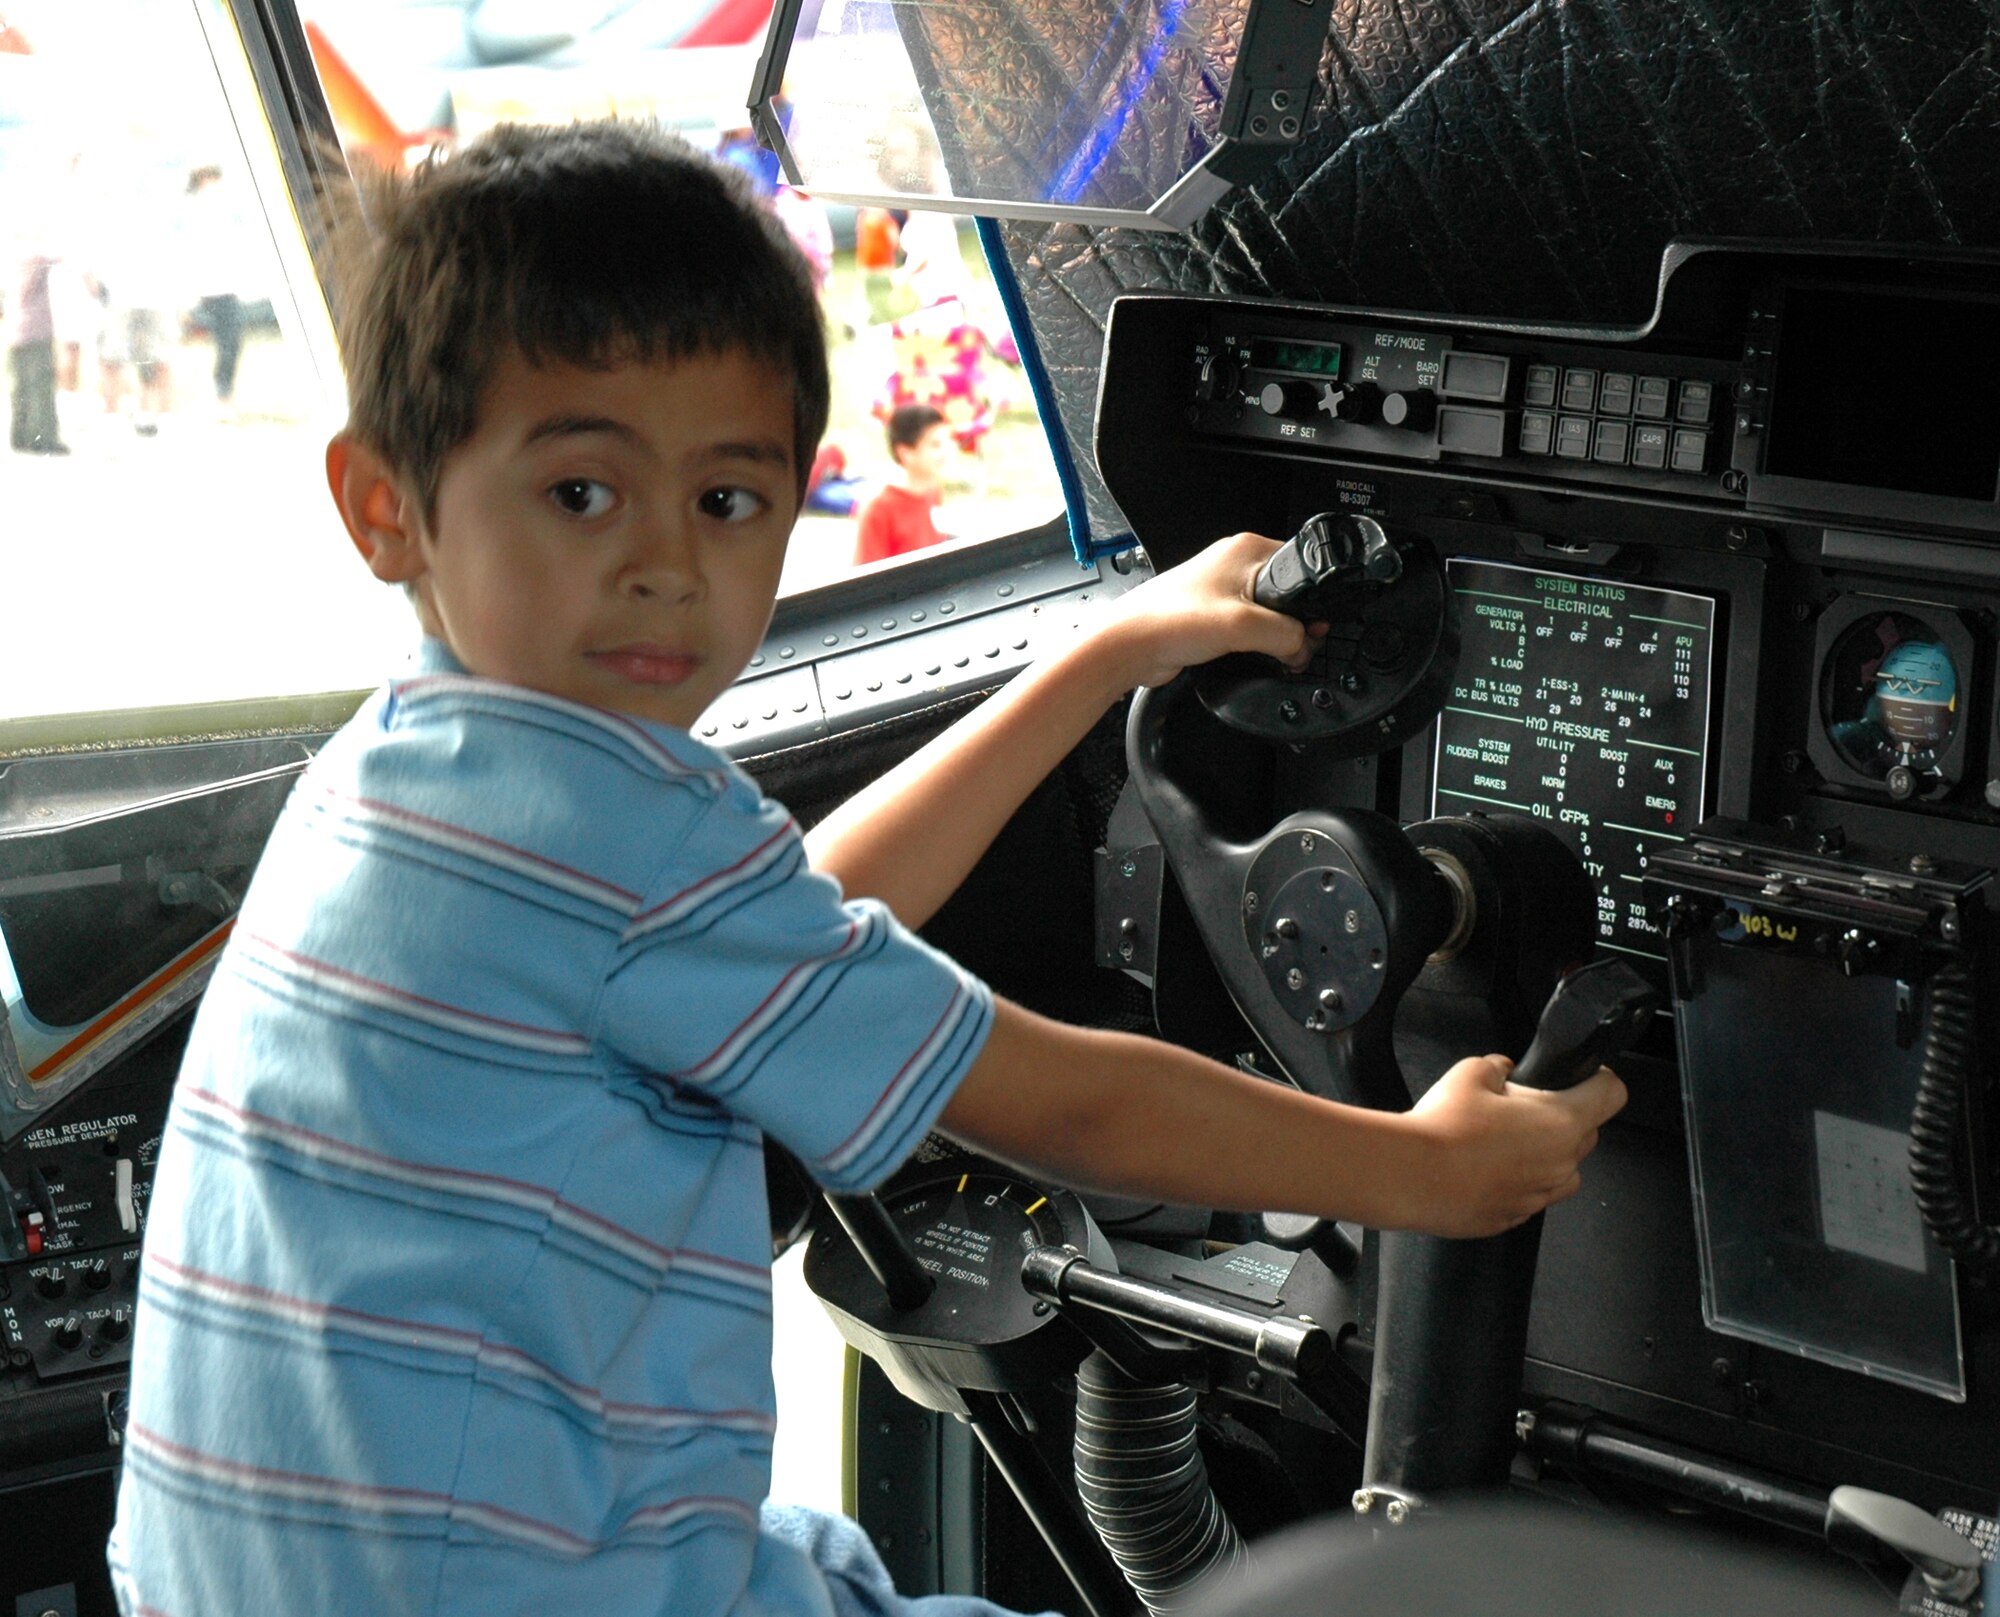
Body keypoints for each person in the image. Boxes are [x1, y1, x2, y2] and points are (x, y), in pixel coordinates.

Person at [108, 120, 1624, 1617]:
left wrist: (1100, 654)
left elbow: (810, 913)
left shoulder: (403, 780)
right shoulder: (614, 844)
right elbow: (1067, 1104)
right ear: (387, 504)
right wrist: (1432, 1173)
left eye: (726, 500)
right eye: (581, 491)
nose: (664, 563)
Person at [854, 402, 953, 565]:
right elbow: (865, 579)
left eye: (947, 441)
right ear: (905, 452)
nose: (946, 451)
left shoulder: (933, 491)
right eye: (935, 445)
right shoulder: (879, 508)